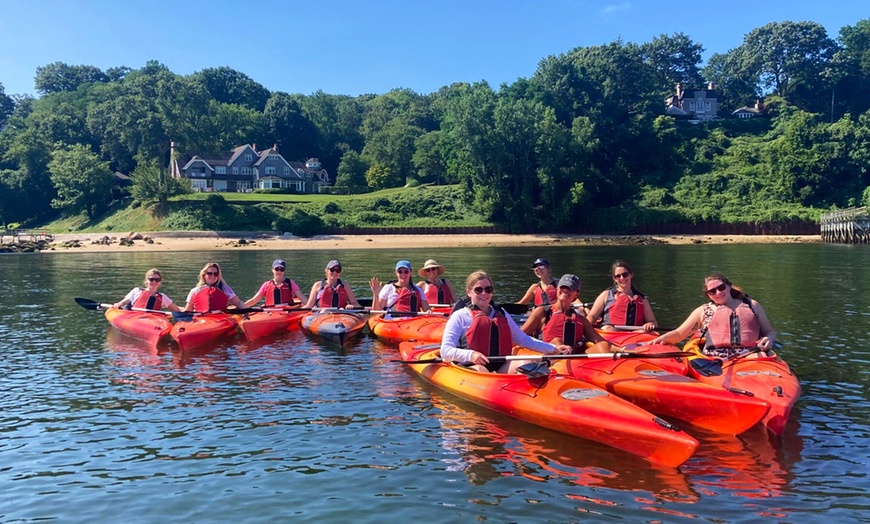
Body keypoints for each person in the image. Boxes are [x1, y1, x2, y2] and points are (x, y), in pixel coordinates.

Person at [441, 270, 572, 374]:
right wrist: (471, 355)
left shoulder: (501, 313)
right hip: (472, 367)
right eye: (478, 290)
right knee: (482, 370)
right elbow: (445, 351)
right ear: (469, 292)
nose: (484, 293)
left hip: (500, 365)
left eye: (488, 289)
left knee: (526, 363)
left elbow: (524, 340)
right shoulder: (459, 316)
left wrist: (553, 349)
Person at [650, 272, 777, 357]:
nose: (718, 293)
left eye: (721, 287)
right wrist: (658, 340)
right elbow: (679, 334)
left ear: (728, 285)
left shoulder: (752, 305)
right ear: (708, 295)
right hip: (715, 358)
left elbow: (769, 331)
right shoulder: (703, 311)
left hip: (750, 354)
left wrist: (769, 339)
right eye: (712, 291)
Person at [521, 274, 613, 353]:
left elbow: (601, 341)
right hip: (550, 358)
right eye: (563, 287)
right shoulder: (543, 312)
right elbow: (519, 336)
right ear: (557, 289)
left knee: (603, 345)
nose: (565, 291)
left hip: (575, 361)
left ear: (576, 294)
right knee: (557, 341)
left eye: (570, 288)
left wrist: (624, 351)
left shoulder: (581, 319)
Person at [586, 260, 658, 332]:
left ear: (631, 275)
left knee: (643, 331)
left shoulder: (642, 299)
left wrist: (649, 324)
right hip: (611, 333)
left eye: (625, 274)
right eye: (618, 276)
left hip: (635, 333)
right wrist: (585, 328)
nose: (622, 278)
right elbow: (592, 316)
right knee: (608, 328)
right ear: (615, 279)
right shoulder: (606, 295)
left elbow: (653, 322)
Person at [113, 268, 181, 312]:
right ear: (146, 281)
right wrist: (119, 304)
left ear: (160, 282)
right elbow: (124, 302)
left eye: (157, 280)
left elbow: (176, 310)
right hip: (135, 317)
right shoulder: (137, 291)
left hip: (152, 320)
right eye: (151, 279)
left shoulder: (162, 297)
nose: (154, 282)